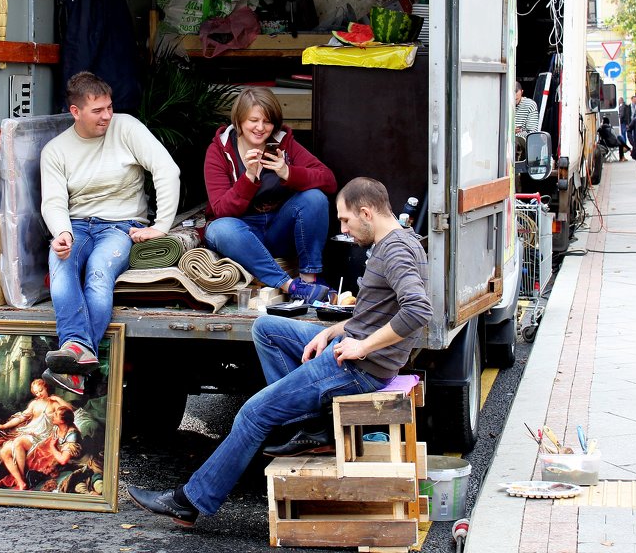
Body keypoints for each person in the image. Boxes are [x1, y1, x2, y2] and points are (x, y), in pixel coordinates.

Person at [125, 177, 432, 527]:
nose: (344, 229)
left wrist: (361, 345)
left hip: (358, 368)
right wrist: (333, 330)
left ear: (366, 212)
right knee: (267, 328)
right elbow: (380, 311)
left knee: (253, 414)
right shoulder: (399, 240)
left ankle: (190, 501)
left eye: (346, 220)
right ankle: (305, 427)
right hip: (349, 348)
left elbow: (418, 311)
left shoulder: (394, 250)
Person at [41, 71, 181, 394]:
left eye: (109, 107)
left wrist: (161, 226)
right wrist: (61, 232)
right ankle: (81, 353)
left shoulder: (127, 127)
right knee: (60, 262)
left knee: (99, 271)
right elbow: (53, 200)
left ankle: (74, 355)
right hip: (75, 224)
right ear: (75, 112)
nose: (107, 115)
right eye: (98, 110)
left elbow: (166, 169)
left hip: (121, 225)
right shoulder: (55, 150)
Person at [203, 86, 337, 302]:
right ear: (239, 122)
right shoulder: (219, 150)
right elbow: (221, 210)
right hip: (242, 234)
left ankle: (309, 281)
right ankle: (290, 285)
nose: (260, 128)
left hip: (277, 229)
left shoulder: (283, 144)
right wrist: (249, 178)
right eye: (253, 120)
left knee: (315, 198)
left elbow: (328, 180)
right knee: (220, 228)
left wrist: (288, 172)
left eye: (267, 121)